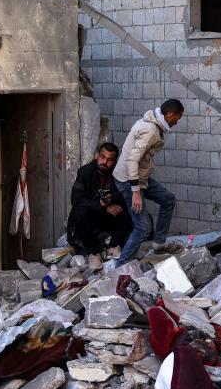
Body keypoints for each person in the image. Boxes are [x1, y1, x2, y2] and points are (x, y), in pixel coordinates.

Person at [113, 99, 184, 266]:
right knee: (143, 227)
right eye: (177, 118)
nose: (177, 122)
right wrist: (135, 192)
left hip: (139, 177)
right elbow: (132, 160)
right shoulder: (151, 131)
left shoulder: (153, 124)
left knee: (168, 199)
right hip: (128, 180)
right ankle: (121, 267)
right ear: (170, 114)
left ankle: (159, 243)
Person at [67, 142, 132, 271]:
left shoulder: (118, 173)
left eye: (109, 160)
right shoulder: (85, 172)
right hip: (90, 219)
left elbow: (125, 193)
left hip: (108, 219)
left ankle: (113, 246)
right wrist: (103, 207)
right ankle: (94, 253)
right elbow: (76, 200)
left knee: (131, 207)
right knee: (80, 211)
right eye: (102, 157)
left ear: (114, 161)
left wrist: (112, 198)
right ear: (97, 155)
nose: (104, 162)